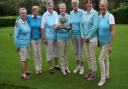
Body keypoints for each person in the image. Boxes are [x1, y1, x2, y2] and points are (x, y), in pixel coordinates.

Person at [16, 6, 42, 75]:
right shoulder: (29, 17)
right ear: (32, 11)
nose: (35, 12)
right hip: (32, 40)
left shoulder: (40, 18)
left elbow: (42, 27)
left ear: (38, 11)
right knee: (35, 55)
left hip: (39, 39)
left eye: (37, 11)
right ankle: (36, 69)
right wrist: (16, 20)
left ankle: (40, 68)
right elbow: (21, 16)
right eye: (34, 11)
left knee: (39, 54)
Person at [97, 0, 115, 86]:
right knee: (105, 59)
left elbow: (113, 31)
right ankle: (107, 75)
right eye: (101, 6)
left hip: (107, 42)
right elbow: (98, 29)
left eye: (104, 6)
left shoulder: (110, 16)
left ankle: (103, 79)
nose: (102, 7)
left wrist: (111, 45)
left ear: (106, 6)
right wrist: (98, 41)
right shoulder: (99, 16)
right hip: (101, 42)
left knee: (100, 59)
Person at [80, 0, 98, 80]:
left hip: (92, 39)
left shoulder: (95, 13)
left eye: (90, 3)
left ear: (92, 4)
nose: (88, 4)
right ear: (86, 4)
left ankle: (93, 74)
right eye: (87, 3)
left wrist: (88, 37)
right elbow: (81, 25)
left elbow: (95, 26)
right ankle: (90, 72)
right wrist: (83, 36)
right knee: (87, 56)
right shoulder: (83, 13)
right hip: (84, 38)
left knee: (92, 57)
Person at [41, 1, 59, 73]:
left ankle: (56, 65)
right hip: (48, 37)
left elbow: (56, 23)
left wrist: (57, 25)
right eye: (49, 6)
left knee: (56, 51)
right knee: (49, 52)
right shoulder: (45, 15)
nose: (50, 7)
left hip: (56, 36)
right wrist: (44, 38)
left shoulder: (55, 13)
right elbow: (42, 27)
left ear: (53, 6)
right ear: (47, 7)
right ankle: (50, 67)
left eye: (51, 6)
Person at [14, 8, 31, 80]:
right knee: (23, 59)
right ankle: (23, 74)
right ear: (19, 14)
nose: (23, 14)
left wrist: (17, 18)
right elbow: (15, 36)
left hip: (27, 44)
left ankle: (26, 70)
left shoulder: (27, 21)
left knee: (26, 58)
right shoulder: (18, 24)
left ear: (26, 14)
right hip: (22, 45)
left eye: (25, 13)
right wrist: (17, 46)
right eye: (22, 13)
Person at [56, 3, 71, 76]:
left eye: (64, 8)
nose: (62, 9)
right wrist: (62, 26)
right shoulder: (57, 17)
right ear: (59, 9)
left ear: (65, 9)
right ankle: (62, 69)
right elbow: (55, 28)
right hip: (60, 38)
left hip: (67, 37)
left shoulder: (68, 16)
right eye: (61, 8)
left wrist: (62, 26)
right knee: (61, 54)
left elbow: (69, 27)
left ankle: (66, 67)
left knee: (66, 54)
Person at [70, 0, 84, 75]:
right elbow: (70, 24)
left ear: (78, 4)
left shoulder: (82, 12)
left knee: (81, 52)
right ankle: (77, 66)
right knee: (76, 52)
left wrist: (83, 35)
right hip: (73, 35)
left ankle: (82, 67)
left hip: (80, 35)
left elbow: (84, 23)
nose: (74, 4)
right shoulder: (71, 13)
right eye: (72, 3)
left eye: (75, 3)